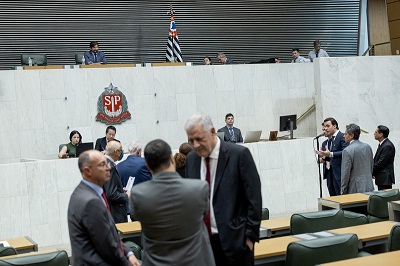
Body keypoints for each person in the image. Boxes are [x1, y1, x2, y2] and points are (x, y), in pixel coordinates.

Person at [185, 113, 261, 266]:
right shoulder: (191, 159)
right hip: (202, 246)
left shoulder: (239, 155)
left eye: (199, 139)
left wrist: (249, 239)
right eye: (191, 140)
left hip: (235, 244)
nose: (195, 145)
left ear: (213, 132)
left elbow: (254, 199)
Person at [130, 139, 215, 266]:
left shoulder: (138, 194)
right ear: (171, 158)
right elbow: (205, 214)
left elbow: (135, 216)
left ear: (147, 165)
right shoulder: (199, 188)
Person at [67, 150, 140, 266]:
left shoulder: (86, 192)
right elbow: (107, 246)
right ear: (87, 171)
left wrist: (129, 253)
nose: (108, 168)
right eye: (102, 165)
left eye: (107, 163)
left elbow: (112, 235)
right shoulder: (90, 202)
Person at [316, 118, 348, 196]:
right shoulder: (325, 143)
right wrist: (322, 158)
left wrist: (331, 154)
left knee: (341, 197)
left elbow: (346, 152)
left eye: (327, 126)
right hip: (329, 173)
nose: (325, 128)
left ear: (334, 126)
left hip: (339, 173)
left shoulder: (342, 137)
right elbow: (324, 157)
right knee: (333, 197)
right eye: (324, 126)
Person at [341, 123, 374, 194]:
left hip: (355, 188)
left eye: (346, 134)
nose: (344, 136)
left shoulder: (347, 150)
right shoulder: (367, 147)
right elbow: (371, 166)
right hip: (369, 185)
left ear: (351, 136)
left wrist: (343, 189)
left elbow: (345, 173)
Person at [103, 140, 129, 223]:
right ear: (116, 152)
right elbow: (111, 194)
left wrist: (120, 189)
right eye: (121, 150)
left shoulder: (103, 163)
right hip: (115, 213)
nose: (121, 153)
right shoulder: (110, 167)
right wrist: (125, 196)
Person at [373, 125, 396, 190]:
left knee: (384, 199)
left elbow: (381, 162)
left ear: (381, 134)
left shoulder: (387, 146)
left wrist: (371, 170)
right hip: (381, 178)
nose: (374, 134)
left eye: (376, 132)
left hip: (385, 179)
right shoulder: (382, 144)